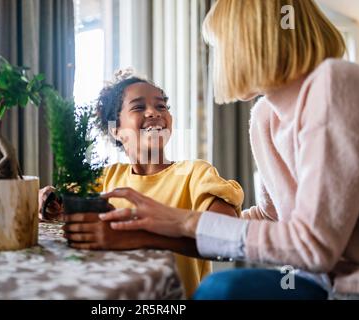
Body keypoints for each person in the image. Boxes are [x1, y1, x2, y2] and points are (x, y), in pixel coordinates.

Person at [98, 0, 359, 300]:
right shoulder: (266, 117)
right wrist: (171, 225)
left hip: (351, 286)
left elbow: (313, 245)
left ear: (251, 38)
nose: (219, 58)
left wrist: (186, 222)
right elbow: (271, 216)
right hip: (310, 282)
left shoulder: (333, 83)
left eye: (221, 43)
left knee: (220, 289)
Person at [39, 71, 244, 298]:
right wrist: (48, 198)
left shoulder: (194, 174)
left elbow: (230, 238)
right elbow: (60, 201)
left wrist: (133, 237)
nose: (154, 113)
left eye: (162, 106)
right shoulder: (107, 178)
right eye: (138, 107)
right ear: (116, 130)